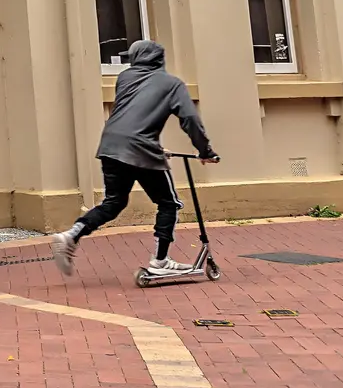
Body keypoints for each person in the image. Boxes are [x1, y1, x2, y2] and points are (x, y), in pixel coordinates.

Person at [52, 39, 219, 277]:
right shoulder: (173, 84)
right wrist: (206, 152)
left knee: (114, 202)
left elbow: (135, 115)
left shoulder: (125, 78)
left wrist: (154, 146)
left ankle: (72, 235)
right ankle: (160, 261)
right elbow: (190, 120)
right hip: (141, 148)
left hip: (111, 145)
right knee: (168, 203)